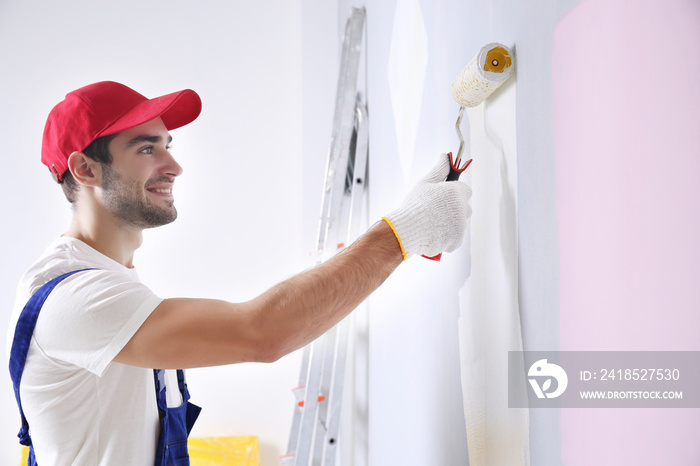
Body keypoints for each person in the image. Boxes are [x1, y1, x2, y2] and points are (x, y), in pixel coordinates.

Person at [6, 81, 472, 465]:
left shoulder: (111, 281)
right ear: (85, 169)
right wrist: (401, 234)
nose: (175, 166)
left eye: (167, 145)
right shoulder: (75, 298)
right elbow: (260, 333)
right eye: (147, 149)